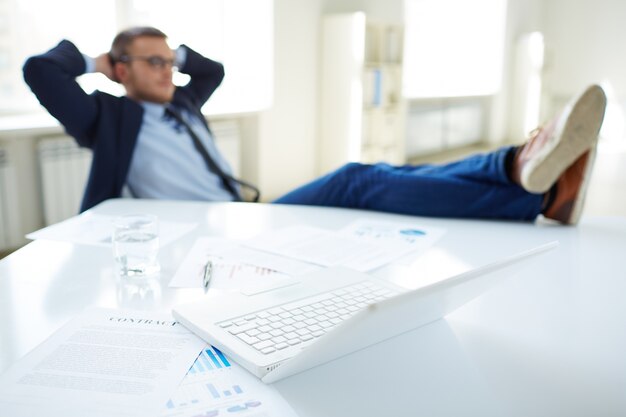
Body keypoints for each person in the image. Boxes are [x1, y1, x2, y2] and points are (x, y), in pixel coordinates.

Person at [23, 26, 607, 225]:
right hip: (201, 233)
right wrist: (102, 63)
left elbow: (214, 68)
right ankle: (520, 173)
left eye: (169, 59)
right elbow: (40, 72)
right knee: (355, 180)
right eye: (154, 62)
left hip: (241, 218)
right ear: (122, 69)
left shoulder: (182, 102)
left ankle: (526, 180)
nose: (170, 68)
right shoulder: (108, 117)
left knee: (377, 173)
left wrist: (168, 57)